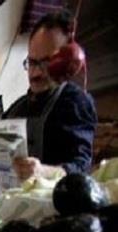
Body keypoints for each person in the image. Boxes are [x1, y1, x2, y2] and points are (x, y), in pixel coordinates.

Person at [5, 10, 97, 181]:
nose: (35, 73)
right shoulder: (17, 108)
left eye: (46, 63)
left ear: (67, 63)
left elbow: (81, 167)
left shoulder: (76, 104)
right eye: (32, 62)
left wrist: (43, 172)